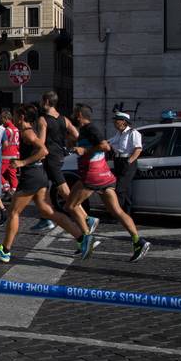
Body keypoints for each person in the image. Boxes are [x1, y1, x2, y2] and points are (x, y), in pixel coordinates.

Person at [0, 104, 97, 263]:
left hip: (31, 177)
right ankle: (81, 238)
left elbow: (44, 150)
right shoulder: (28, 132)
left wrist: (23, 162)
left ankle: (5, 250)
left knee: (13, 212)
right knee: (48, 211)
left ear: (22, 117)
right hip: (39, 175)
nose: (14, 119)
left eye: (16, 116)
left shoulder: (28, 133)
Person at [64, 104, 150, 262]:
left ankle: (87, 239)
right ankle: (138, 241)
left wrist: (85, 151)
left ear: (79, 115)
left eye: (74, 113)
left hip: (93, 175)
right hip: (104, 176)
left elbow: (103, 146)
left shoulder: (91, 128)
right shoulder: (84, 130)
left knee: (70, 206)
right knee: (117, 211)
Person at [32, 91, 81, 231]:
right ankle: (45, 218)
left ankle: (85, 218)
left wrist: (32, 154)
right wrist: (68, 141)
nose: (41, 104)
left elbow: (41, 143)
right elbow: (76, 134)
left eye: (42, 101)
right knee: (42, 187)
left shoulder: (43, 120)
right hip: (59, 156)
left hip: (49, 158)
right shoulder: (64, 119)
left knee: (64, 191)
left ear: (46, 101)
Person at [109, 111, 142, 216]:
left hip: (128, 162)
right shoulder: (118, 134)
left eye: (116, 121)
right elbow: (110, 143)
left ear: (123, 121)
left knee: (119, 189)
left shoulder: (133, 133)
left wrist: (128, 161)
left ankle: (117, 215)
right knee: (125, 190)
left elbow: (138, 149)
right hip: (118, 161)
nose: (114, 123)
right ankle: (127, 213)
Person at [0, 110, 20, 197]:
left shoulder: (6, 130)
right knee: (12, 175)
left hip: (6, 155)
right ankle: (14, 190)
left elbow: (3, 142)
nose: (1, 121)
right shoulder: (16, 129)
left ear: (6, 118)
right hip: (15, 155)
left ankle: (6, 186)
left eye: (2, 119)